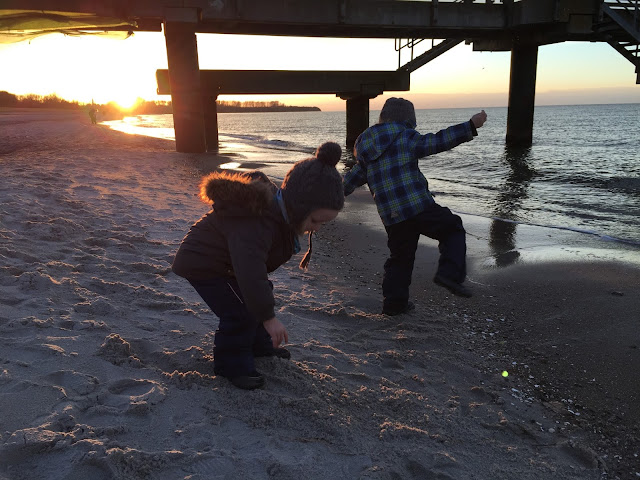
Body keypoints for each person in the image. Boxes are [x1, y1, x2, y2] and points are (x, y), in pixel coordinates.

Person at [172, 142, 345, 390]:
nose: (316, 228)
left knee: (257, 296)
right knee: (241, 311)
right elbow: (251, 272)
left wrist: (264, 311)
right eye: (315, 220)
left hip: (227, 264)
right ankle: (230, 365)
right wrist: (269, 317)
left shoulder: (280, 215)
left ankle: (260, 347)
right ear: (298, 207)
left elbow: (256, 276)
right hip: (203, 263)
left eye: (323, 224)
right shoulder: (257, 222)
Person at [343, 97, 487, 315]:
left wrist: (327, 194)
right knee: (452, 227)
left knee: (400, 258)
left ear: (383, 118)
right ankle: (449, 274)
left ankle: (394, 304)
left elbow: (351, 179)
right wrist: (470, 126)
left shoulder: (366, 149)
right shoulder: (406, 136)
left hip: (392, 217)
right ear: (408, 121)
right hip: (417, 206)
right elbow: (438, 141)